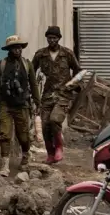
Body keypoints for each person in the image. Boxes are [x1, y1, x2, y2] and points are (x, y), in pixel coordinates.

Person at [0, 35, 40, 177]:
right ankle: (5, 164)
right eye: (14, 48)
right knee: (5, 134)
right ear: (9, 49)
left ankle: (25, 156)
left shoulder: (27, 64)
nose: (17, 50)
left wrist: (37, 102)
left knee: (23, 136)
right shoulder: (1, 65)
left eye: (19, 47)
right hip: (5, 104)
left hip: (22, 105)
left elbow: (34, 85)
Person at [32, 26, 80, 164]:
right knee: (46, 124)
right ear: (46, 38)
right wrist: (32, 89)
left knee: (54, 120)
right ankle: (50, 154)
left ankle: (59, 147)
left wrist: (75, 85)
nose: (51, 40)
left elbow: (78, 70)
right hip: (47, 95)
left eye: (54, 38)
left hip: (63, 94)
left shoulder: (67, 54)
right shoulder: (40, 54)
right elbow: (31, 71)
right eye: (49, 38)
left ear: (59, 39)